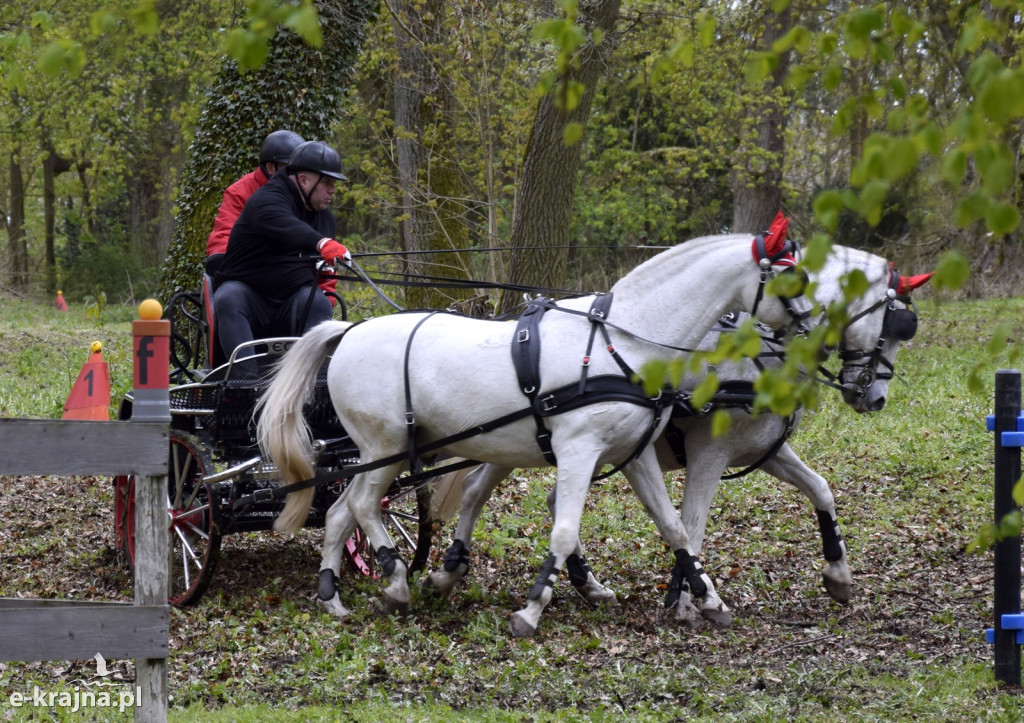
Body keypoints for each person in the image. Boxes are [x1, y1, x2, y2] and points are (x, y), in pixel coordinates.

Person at [213, 140, 352, 360]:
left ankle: (314, 384)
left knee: (317, 301)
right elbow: (283, 221)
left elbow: (324, 274)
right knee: (228, 296)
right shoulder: (266, 200)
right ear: (303, 180)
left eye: (334, 183)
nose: (333, 190)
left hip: (292, 301)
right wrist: (322, 243)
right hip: (248, 299)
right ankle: (244, 383)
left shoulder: (325, 218)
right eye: (326, 182)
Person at [206, 129, 306, 267]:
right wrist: (222, 257)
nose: (297, 176)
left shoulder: (308, 194)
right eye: (289, 169)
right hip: (249, 270)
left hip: (293, 273)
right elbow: (224, 235)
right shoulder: (239, 192)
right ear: (271, 168)